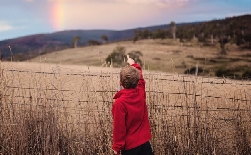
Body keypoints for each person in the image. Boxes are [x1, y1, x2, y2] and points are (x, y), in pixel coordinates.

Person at [111, 55, 153, 155]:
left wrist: (117, 147)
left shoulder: (120, 103)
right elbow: (141, 79)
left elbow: (119, 128)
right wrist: (133, 64)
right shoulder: (140, 92)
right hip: (145, 144)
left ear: (120, 83)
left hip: (130, 148)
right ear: (137, 81)